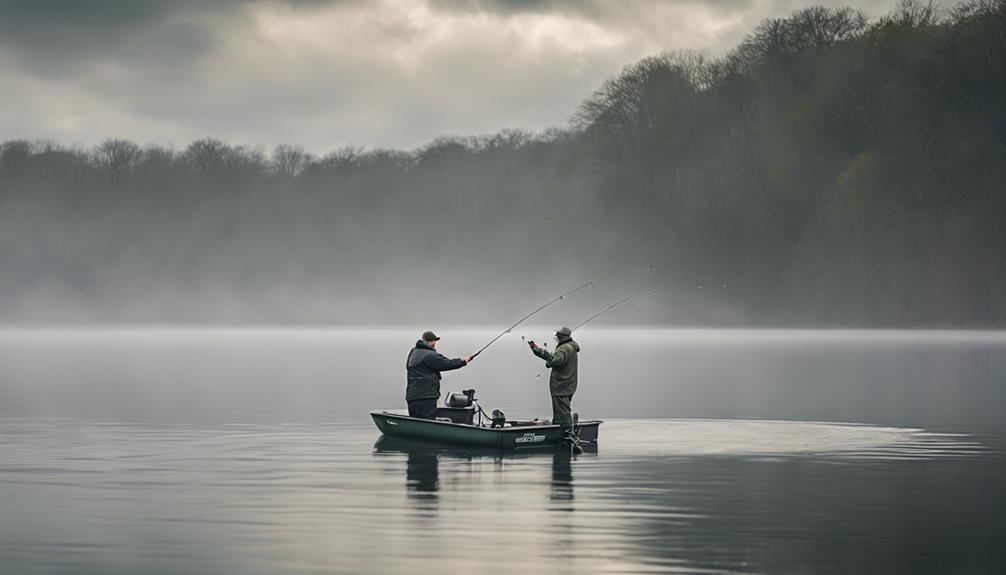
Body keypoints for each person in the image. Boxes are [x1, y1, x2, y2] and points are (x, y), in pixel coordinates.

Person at [406, 331, 472, 419]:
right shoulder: (429, 355)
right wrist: (462, 361)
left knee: (416, 422)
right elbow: (447, 363)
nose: (433, 343)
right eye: (431, 341)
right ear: (424, 341)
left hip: (412, 397)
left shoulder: (413, 353)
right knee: (427, 422)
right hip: (426, 397)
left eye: (435, 341)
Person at [529, 326, 579, 435]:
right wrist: (550, 362)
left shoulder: (564, 348)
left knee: (563, 414)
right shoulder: (570, 347)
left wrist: (537, 349)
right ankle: (561, 432)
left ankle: (566, 434)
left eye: (557, 337)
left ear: (561, 337)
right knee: (561, 413)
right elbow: (559, 361)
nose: (556, 338)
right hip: (568, 385)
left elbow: (555, 359)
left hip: (561, 386)